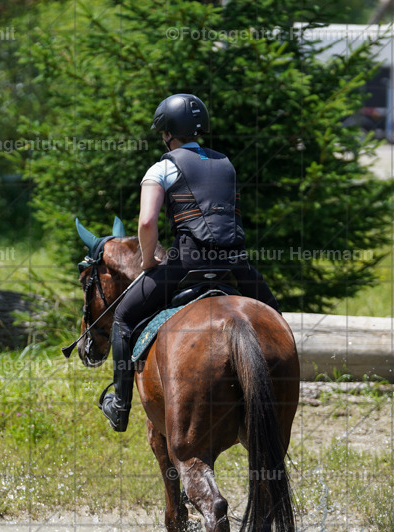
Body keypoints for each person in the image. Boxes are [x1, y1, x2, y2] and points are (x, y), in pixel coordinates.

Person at [99, 93, 281, 432]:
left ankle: (121, 406)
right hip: (235, 265)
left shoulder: (163, 167)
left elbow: (146, 223)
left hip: (186, 264)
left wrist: (150, 258)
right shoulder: (226, 163)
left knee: (123, 319)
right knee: (274, 321)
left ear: (168, 132)